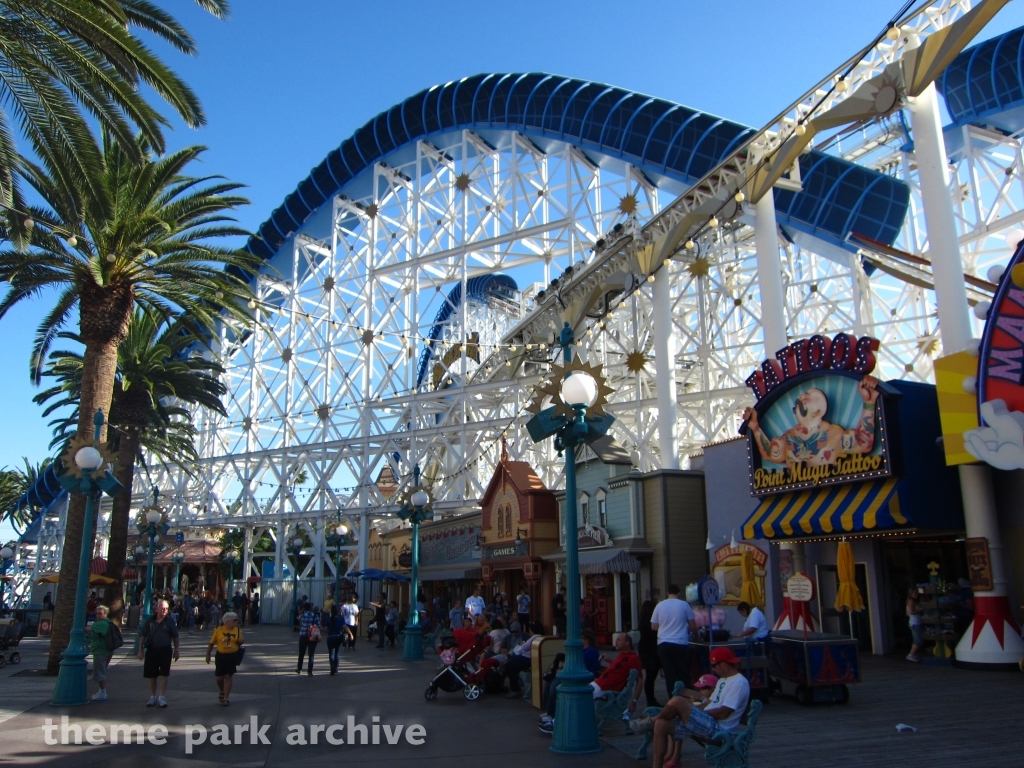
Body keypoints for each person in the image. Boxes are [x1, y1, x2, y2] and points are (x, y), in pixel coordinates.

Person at [630, 647, 751, 768]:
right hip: (708, 723)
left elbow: (724, 713)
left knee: (678, 701)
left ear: (723, 664)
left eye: (714, 666)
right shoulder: (722, 680)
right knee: (661, 724)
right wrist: (691, 709)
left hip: (719, 729)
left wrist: (693, 711)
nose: (713, 669)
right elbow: (710, 703)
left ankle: (651, 721)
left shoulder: (739, 683)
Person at [743, 376, 879, 472]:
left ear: (817, 411)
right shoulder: (788, 438)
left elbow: (863, 445)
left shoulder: (835, 434)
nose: (800, 397)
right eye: (801, 396)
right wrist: (754, 426)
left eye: (807, 397)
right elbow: (770, 454)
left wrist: (869, 402)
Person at [540, 633, 644, 734]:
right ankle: (556, 721)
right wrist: (609, 661)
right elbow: (619, 668)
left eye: (619, 640)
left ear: (627, 643)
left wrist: (634, 700)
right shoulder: (622, 656)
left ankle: (557, 723)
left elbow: (640, 680)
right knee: (571, 693)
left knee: (576, 697)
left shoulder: (633, 658)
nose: (616, 642)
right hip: (598, 684)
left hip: (604, 689)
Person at [658, 674, 720, 768]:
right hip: (699, 722)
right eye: (700, 689)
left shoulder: (713, 700)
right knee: (675, 721)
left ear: (712, 689)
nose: (701, 691)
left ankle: (675, 756)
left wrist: (694, 703)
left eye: (704, 689)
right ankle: (671, 753)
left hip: (708, 727)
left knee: (680, 722)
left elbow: (704, 710)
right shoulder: (705, 699)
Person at [651, 584, 697, 697]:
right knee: (684, 673)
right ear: (679, 593)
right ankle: (686, 699)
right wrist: (695, 634)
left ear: (667, 593)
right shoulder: (684, 605)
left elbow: (654, 627)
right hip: (680, 642)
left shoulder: (659, 605)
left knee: (669, 674)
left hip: (663, 644)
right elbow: (692, 625)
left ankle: (673, 700)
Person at [138, 599, 180, 707]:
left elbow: (175, 637)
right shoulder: (150, 621)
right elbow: (143, 635)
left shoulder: (170, 621)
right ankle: (152, 696)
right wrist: (140, 650)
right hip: (152, 650)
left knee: (164, 674)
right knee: (152, 675)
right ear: (157, 608)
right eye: (162, 608)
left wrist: (176, 650)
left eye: (166, 609)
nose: (164, 610)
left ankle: (161, 696)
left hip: (165, 650)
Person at [206, 612, 244, 706]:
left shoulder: (238, 630)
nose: (236, 622)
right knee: (219, 678)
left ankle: (226, 698)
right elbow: (211, 643)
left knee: (228, 676)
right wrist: (208, 654)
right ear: (227, 621)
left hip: (232, 656)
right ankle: (222, 690)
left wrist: (241, 641)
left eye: (236, 620)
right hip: (221, 656)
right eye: (234, 620)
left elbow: (242, 641)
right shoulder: (219, 630)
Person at [504, 623, 542, 698]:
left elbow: (524, 647)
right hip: (531, 658)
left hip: (527, 658)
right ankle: (517, 684)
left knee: (509, 666)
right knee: (510, 664)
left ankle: (515, 689)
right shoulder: (540, 637)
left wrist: (522, 644)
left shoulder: (534, 637)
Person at [638, 599, 662, 707]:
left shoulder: (642, 620)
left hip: (644, 649)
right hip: (652, 650)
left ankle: (650, 700)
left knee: (649, 676)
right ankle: (651, 701)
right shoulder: (650, 621)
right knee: (651, 677)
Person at [88, 605, 113, 702]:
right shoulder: (108, 623)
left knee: (100, 671)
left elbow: (88, 629)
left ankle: (103, 692)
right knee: (100, 670)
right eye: (97, 613)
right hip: (105, 650)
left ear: (105, 614)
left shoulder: (102, 624)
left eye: (100, 613)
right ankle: (101, 691)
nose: (98, 615)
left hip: (101, 650)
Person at [297, 603, 321, 675]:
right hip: (312, 637)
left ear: (304, 608)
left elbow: (298, 620)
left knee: (301, 653)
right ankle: (309, 671)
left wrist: (301, 612)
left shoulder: (303, 615)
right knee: (311, 654)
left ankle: (299, 669)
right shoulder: (315, 616)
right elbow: (320, 626)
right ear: (311, 608)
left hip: (303, 636)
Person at [325, 604, 345, 674]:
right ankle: (336, 668)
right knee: (337, 652)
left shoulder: (329, 619)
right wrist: (351, 634)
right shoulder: (341, 618)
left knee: (331, 654)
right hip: (338, 636)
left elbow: (326, 629)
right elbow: (344, 626)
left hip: (330, 637)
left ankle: (332, 667)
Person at [907, 587, 923, 662]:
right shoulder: (911, 601)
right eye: (915, 593)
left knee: (916, 640)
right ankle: (911, 654)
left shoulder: (911, 601)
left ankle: (913, 654)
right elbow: (911, 612)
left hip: (914, 622)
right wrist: (920, 610)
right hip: (915, 623)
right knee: (918, 641)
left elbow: (907, 613)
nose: (917, 594)